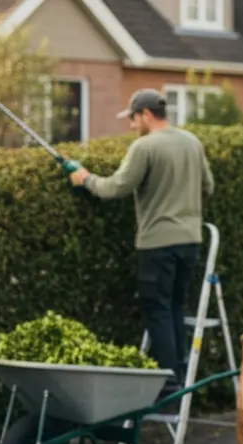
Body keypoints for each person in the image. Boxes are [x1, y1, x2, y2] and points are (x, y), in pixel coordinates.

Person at [68, 88, 215, 399]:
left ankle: (167, 383)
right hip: (190, 242)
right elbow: (208, 186)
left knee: (157, 310)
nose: (131, 125)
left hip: (157, 242)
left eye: (133, 118)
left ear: (147, 114)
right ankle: (179, 371)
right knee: (175, 306)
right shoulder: (192, 142)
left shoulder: (144, 147)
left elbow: (116, 188)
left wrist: (85, 179)